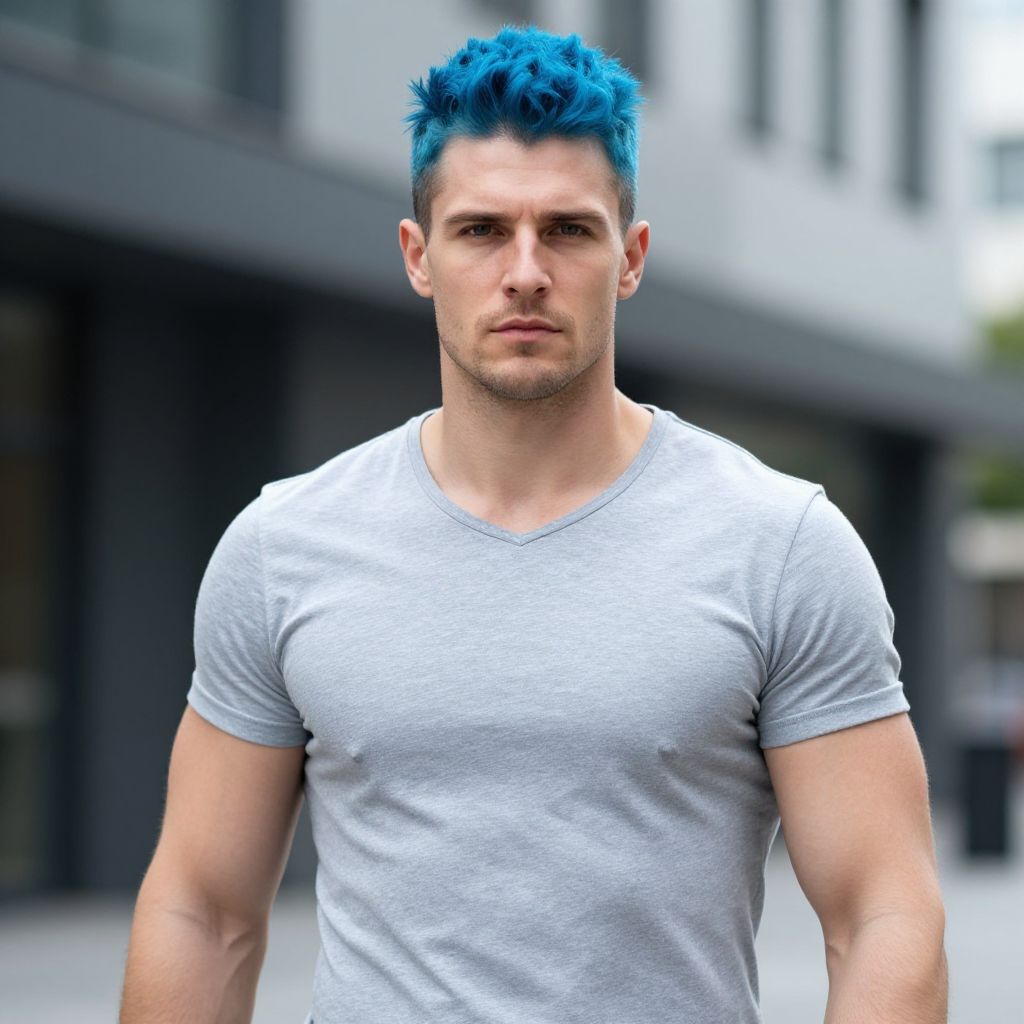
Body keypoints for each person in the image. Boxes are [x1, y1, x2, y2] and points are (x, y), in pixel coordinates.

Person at [119, 24, 948, 1024]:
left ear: (629, 257)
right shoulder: (281, 546)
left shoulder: (781, 546)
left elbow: (883, 915)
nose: (524, 272)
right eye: (480, 230)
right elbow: (203, 912)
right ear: (418, 256)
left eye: (567, 230)